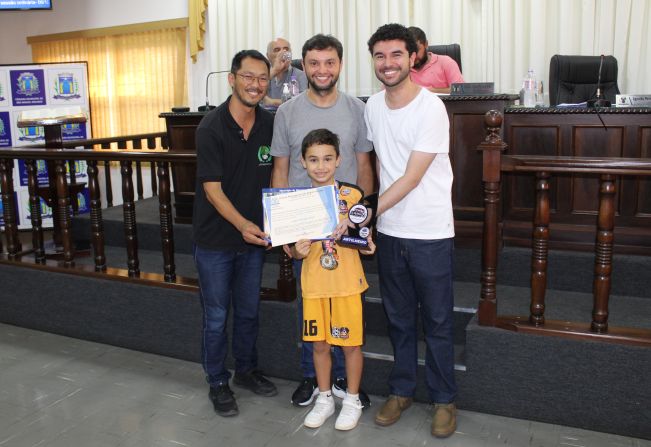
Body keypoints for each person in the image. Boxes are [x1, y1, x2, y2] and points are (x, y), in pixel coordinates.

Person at [270, 33, 374, 408]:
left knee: (345, 300)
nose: (322, 70)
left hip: (344, 225)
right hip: (303, 222)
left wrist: (362, 222)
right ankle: (313, 379)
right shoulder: (287, 111)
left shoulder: (357, 109)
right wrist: (281, 229)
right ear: (304, 65)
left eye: (329, 62)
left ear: (340, 65)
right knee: (310, 303)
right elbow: (279, 169)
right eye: (314, 63)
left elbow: (364, 167)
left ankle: (347, 383)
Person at [365, 24, 458, 438]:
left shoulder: (431, 108)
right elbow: (381, 166)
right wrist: (371, 218)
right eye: (380, 56)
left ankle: (443, 400)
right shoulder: (371, 105)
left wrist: (364, 214)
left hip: (430, 231)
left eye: (396, 55)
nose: (388, 64)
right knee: (398, 319)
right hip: (390, 230)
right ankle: (402, 390)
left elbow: (411, 177)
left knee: (437, 320)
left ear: (412, 57)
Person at [192, 49, 277, 418]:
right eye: (248, 77)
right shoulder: (210, 127)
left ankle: (245, 370)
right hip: (216, 242)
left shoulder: (270, 125)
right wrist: (242, 225)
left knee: (248, 312)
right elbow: (213, 189)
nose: (255, 85)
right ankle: (217, 381)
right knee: (215, 317)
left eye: (262, 79)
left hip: (254, 241)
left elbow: (278, 175)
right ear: (232, 79)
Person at [289, 128, 375, 431]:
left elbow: (367, 243)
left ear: (339, 160)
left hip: (347, 285)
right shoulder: (296, 201)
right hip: (313, 286)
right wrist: (298, 252)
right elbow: (290, 249)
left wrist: (363, 240)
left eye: (327, 158)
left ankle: (351, 400)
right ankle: (324, 398)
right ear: (302, 162)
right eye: (313, 159)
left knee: (351, 346)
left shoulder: (352, 197)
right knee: (320, 345)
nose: (321, 166)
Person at [407, 26, 463, 94]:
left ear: (426, 44)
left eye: (417, 50)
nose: (414, 56)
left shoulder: (446, 62)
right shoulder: (403, 67)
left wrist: (431, 91)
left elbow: (460, 90)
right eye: (409, 51)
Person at [264, 37, 308, 106]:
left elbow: (302, 103)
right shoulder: (263, 74)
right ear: (268, 56)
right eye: (277, 50)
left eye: (286, 49)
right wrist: (274, 70)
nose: (283, 53)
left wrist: (272, 102)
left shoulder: (301, 75)